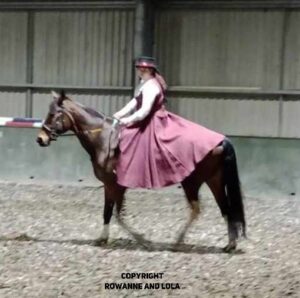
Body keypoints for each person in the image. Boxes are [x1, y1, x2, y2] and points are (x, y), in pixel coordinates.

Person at [113, 56, 225, 189]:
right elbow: (135, 102)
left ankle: (137, 171)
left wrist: (126, 120)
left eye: (139, 68)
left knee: (130, 137)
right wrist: (119, 114)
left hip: (153, 120)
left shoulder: (152, 86)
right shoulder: (144, 84)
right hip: (148, 118)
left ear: (145, 70)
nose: (137, 70)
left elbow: (144, 111)